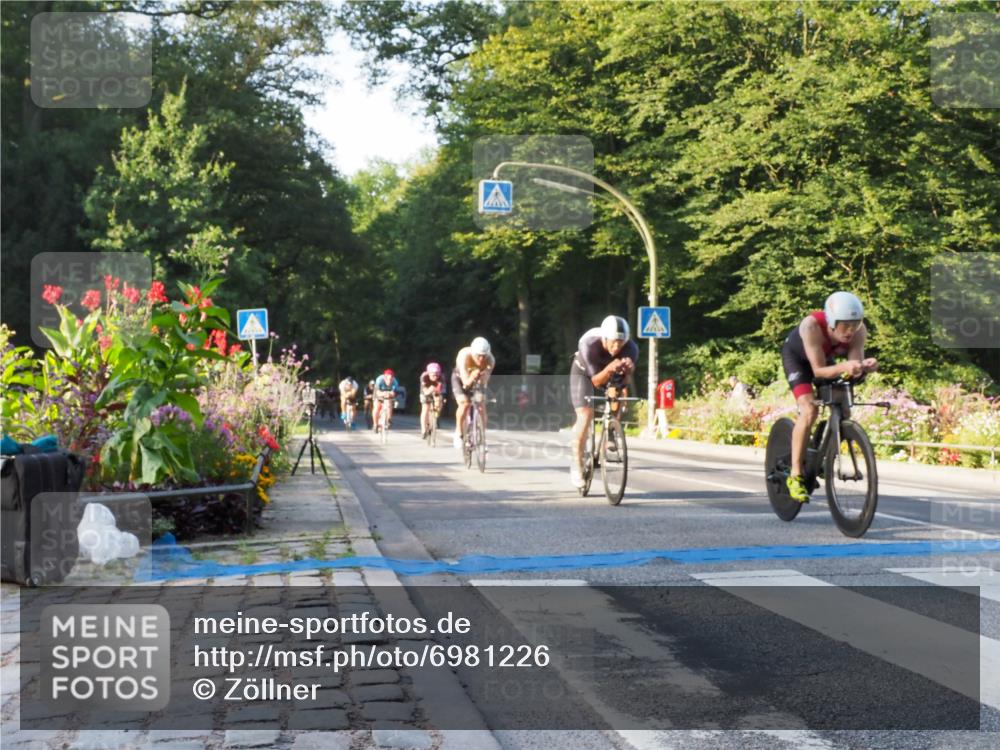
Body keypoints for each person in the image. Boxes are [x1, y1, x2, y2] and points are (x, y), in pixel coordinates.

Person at [781, 291, 878, 503]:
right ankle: (795, 474)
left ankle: (822, 449)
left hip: (827, 360)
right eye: (845, 326)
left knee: (844, 408)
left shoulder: (859, 332)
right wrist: (845, 365)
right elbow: (817, 371)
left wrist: (864, 367)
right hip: (800, 360)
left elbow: (853, 371)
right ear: (832, 322)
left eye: (855, 324)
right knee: (809, 410)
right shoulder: (812, 326)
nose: (850, 331)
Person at [570, 315, 640, 488]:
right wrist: (609, 368)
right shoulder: (589, 345)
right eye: (613, 342)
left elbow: (623, 382)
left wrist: (628, 372)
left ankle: (610, 430)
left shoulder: (631, 348)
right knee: (585, 416)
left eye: (621, 343)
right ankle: (577, 464)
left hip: (609, 372)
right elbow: (595, 382)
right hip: (585, 375)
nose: (616, 347)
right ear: (604, 338)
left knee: (619, 393)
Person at [452, 337, 495, 449]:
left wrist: (483, 377)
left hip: (477, 379)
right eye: (478, 355)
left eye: (484, 355)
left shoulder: (491, 359)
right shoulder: (464, 356)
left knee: (481, 404)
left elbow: (485, 382)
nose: (481, 358)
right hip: (460, 378)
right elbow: (466, 383)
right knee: (464, 403)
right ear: (473, 352)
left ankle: (482, 436)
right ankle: (459, 433)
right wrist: (472, 376)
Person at [419, 362, 447, 439]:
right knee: (425, 408)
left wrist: (438, 394)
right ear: (429, 373)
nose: (435, 376)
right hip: (426, 390)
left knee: (440, 400)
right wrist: (430, 390)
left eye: (437, 374)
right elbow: (425, 391)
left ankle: (436, 415)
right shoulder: (424, 376)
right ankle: (423, 430)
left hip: (436, 390)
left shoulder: (442, 377)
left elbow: (443, 390)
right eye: (433, 374)